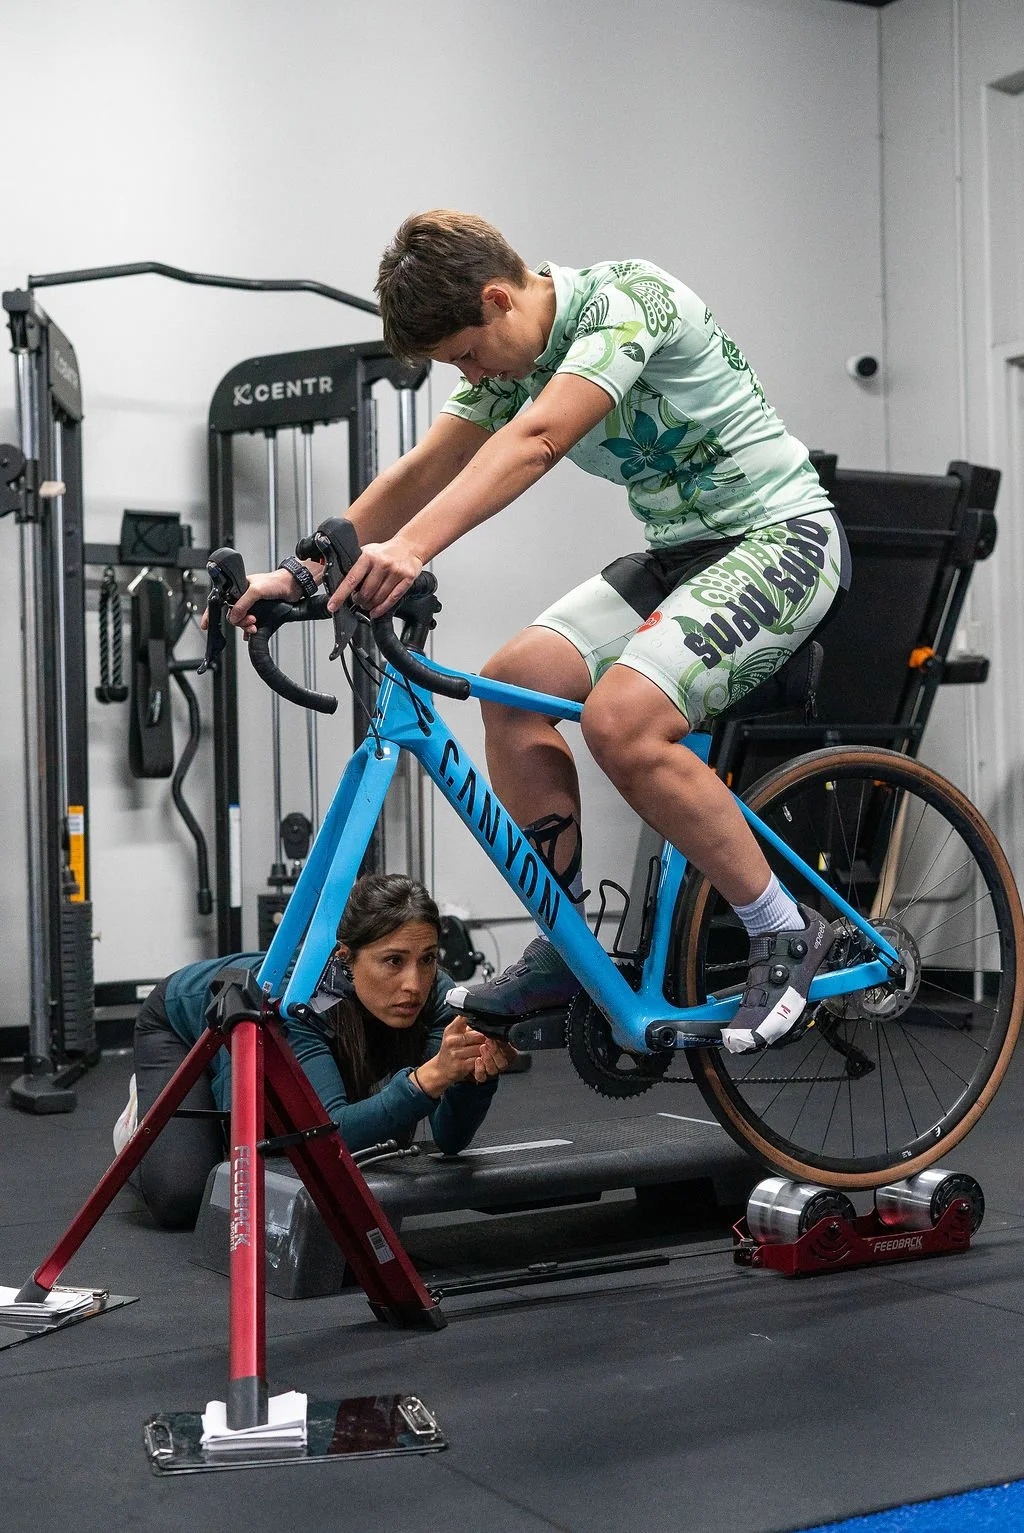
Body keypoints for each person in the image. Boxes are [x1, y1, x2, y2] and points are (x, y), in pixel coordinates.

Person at [226, 212, 851, 1055]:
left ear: (498, 298)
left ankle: (783, 925)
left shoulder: (630, 302)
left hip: (783, 538)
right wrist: (302, 571)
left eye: (465, 355)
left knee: (620, 723)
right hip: (681, 555)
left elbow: (541, 437)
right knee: (513, 686)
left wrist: (410, 549)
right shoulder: (514, 359)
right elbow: (425, 467)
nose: (468, 373)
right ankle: (570, 946)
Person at [117, 873, 518, 1229]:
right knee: (188, 1197)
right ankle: (145, 1119)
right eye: (393, 961)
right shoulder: (299, 1001)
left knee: (385, 1150)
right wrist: (429, 1078)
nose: (414, 983)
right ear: (345, 958)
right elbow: (329, 1132)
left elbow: (449, 1140)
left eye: (426, 959)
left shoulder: (438, 996)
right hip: (187, 1024)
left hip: (314, 1031)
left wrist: (472, 1075)